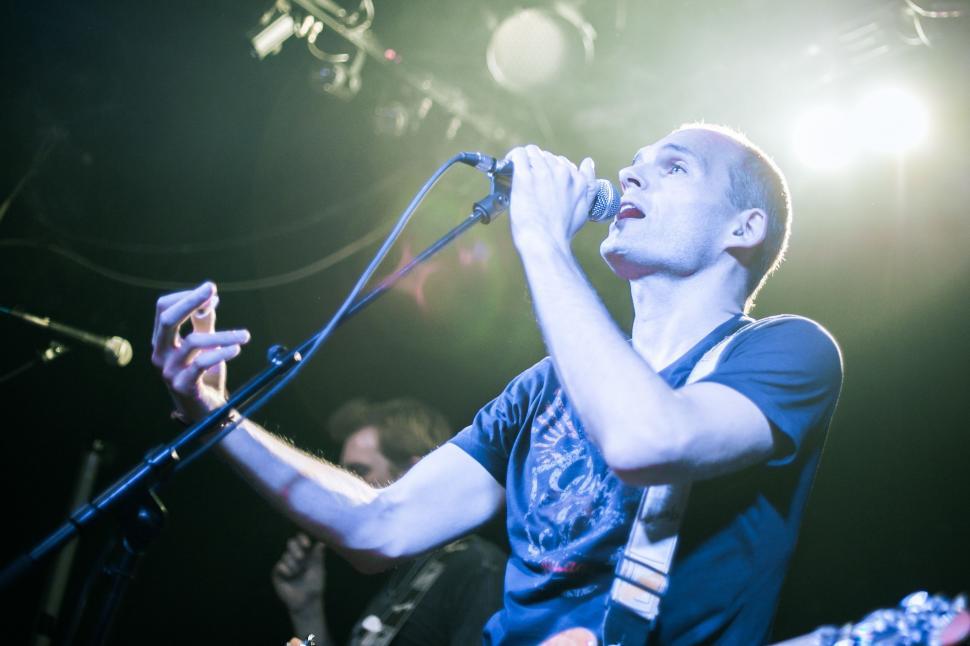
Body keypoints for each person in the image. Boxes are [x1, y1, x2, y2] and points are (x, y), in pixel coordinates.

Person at [152, 123, 843, 644]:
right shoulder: (544, 387)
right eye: (633, 165)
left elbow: (645, 439)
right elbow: (378, 527)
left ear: (743, 227)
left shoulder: (788, 351)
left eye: (672, 167)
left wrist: (541, 239)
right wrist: (214, 414)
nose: (632, 177)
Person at [270, 398, 505, 645]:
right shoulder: (396, 573)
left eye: (358, 472)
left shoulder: (476, 567)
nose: (341, 486)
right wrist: (306, 608)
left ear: (412, 473)